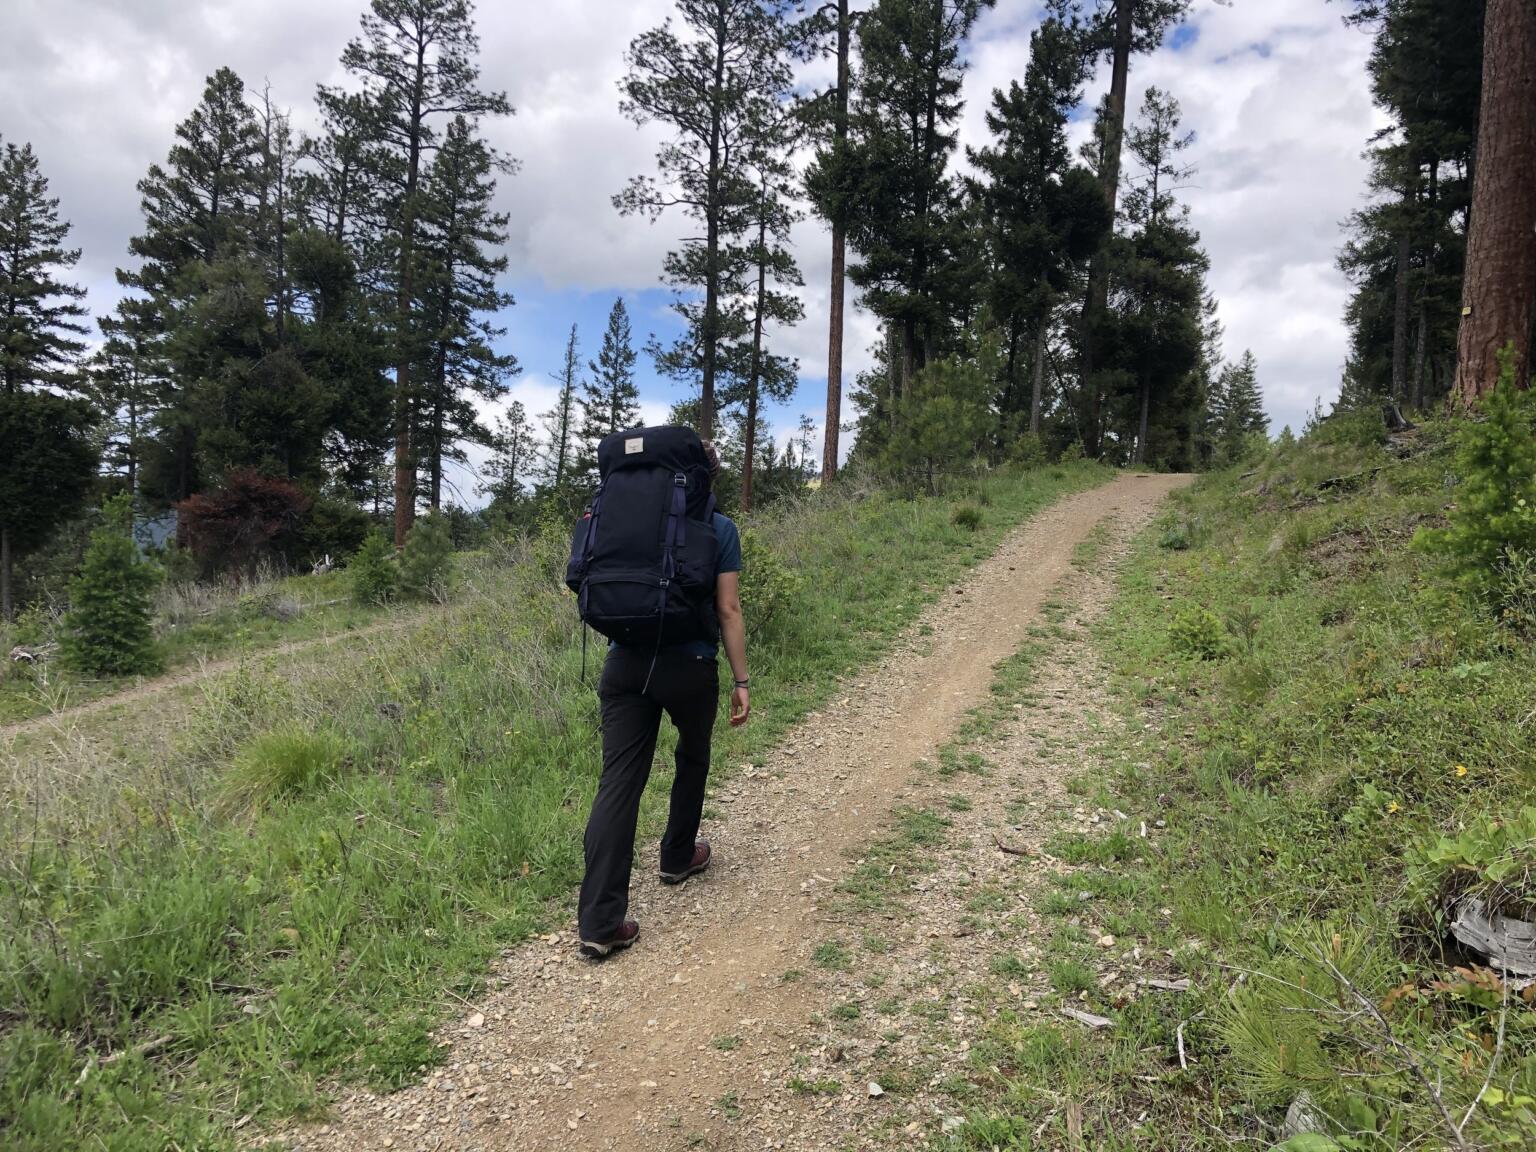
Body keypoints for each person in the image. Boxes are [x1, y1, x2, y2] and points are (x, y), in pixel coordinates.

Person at [578, 440, 751, 958]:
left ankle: (600, 923)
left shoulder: (623, 523)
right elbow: (729, 609)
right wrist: (742, 680)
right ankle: (677, 856)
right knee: (693, 755)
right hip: (689, 665)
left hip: (625, 662)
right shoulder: (719, 529)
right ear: (707, 478)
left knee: (619, 783)